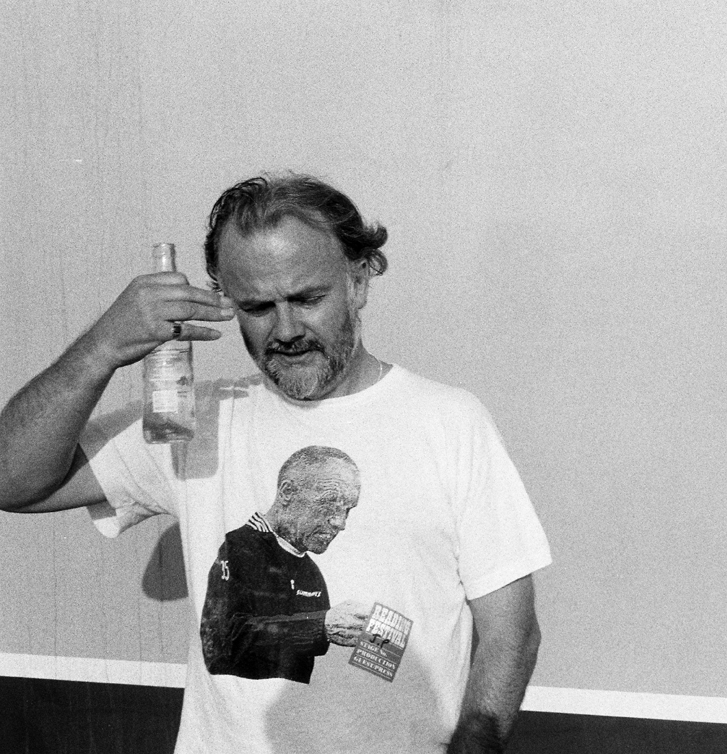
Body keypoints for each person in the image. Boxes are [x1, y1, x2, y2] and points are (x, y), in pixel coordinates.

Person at [0, 172, 552, 754]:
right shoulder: (195, 422)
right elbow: (13, 480)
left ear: (359, 280)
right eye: (258, 306)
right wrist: (102, 348)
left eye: (307, 299)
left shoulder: (450, 422)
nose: (285, 330)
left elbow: (511, 633)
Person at [200, 445, 365, 684]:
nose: (340, 523)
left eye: (347, 510)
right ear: (287, 492)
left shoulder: (310, 571)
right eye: (329, 504)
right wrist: (322, 626)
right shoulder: (239, 546)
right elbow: (220, 641)